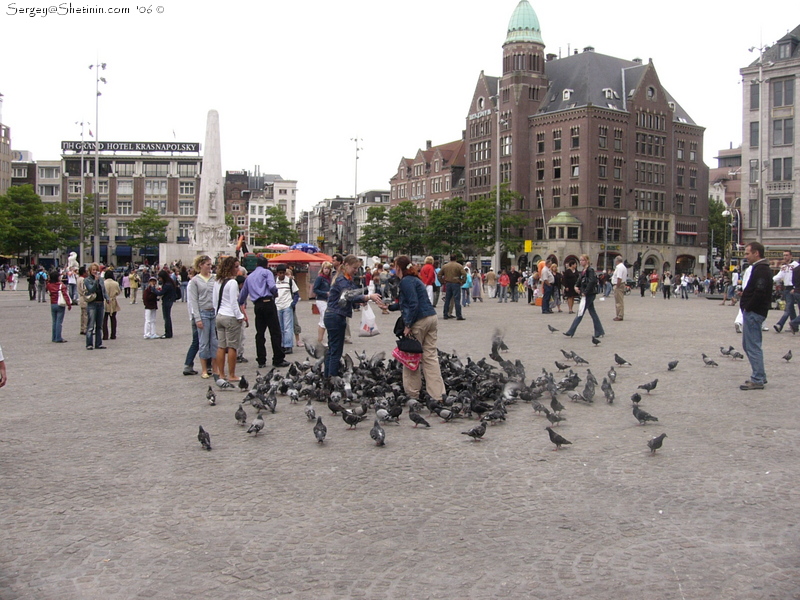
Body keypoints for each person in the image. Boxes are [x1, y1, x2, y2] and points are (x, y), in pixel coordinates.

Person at [388, 255, 445, 401]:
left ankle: (412, 394)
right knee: (430, 357)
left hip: (419, 321)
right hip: (431, 317)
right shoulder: (415, 279)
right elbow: (409, 302)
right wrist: (390, 307)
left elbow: (413, 304)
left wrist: (408, 325)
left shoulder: (405, 282)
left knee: (411, 357)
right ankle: (438, 394)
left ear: (398, 267)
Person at [324, 255, 384, 378]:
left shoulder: (345, 278)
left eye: (357, 268)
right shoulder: (342, 280)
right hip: (336, 316)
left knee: (332, 350)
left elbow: (352, 295)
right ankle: (332, 379)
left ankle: (327, 377)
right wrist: (368, 297)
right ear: (346, 265)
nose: (356, 270)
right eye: (354, 268)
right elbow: (349, 295)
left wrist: (361, 300)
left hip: (333, 315)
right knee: (336, 351)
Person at [237, 256, 287, 369]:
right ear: (266, 265)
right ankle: (278, 359)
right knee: (275, 332)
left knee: (260, 333)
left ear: (256, 265)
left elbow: (243, 294)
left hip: (257, 305)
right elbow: (272, 286)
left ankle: (261, 359)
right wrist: (275, 293)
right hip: (268, 302)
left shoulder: (249, 277)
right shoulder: (266, 273)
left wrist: (240, 303)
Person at [739, 242, 773, 390]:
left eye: (748, 253)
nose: (746, 256)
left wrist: (748, 306)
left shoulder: (762, 270)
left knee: (753, 346)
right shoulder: (759, 268)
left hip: (754, 312)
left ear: (756, 253)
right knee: (748, 345)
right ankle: (760, 375)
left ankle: (758, 378)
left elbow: (759, 291)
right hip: (753, 311)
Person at [214, 256, 246, 386]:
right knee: (233, 346)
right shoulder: (232, 283)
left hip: (220, 315)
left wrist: (217, 313)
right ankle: (232, 374)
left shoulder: (217, 281)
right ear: (230, 268)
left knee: (221, 346)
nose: (238, 269)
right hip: (230, 316)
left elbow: (214, 300)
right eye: (236, 266)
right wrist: (240, 316)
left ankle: (221, 373)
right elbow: (234, 302)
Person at [187, 254, 218, 378]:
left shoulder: (214, 278)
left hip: (213, 312)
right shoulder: (195, 281)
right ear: (200, 265)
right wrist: (197, 318)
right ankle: (204, 369)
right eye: (207, 265)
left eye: (211, 265)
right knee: (203, 342)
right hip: (203, 312)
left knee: (215, 341)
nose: (210, 267)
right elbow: (193, 301)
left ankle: (215, 368)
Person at [563, 254, 605, 339]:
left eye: (582, 260)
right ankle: (599, 331)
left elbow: (592, 282)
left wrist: (585, 292)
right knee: (593, 313)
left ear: (587, 261)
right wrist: (576, 286)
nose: (581, 262)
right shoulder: (583, 271)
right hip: (586, 294)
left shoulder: (590, 270)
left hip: (589, 294)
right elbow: (579, 280)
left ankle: (571, 331)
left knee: (580, 312)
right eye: (580, 260)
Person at [274, 264, 299, 354]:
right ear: (277, 273)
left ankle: (288, 345)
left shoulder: (290, 281)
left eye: (283, 273)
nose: (282, 275)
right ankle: (281, 345)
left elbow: (296, 294)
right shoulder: (274, 281)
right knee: (279, 327)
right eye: (280, 273)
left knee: (288, 327)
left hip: (287, 306)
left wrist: (292, 304)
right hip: (277, 306)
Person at [83, 263, 107, 350]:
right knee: (90, 325)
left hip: (100, 303)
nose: (95, 272)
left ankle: (98, 343)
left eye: (96, 270)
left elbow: (103, 290)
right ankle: (89, 344)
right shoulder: (87, 280)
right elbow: (91, 289)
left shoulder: (101, 279)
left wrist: (107, 298)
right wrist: (96, 280)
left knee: (99, 325)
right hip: (92, 304)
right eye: (93, 270)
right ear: (90, 271)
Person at [772, 250, 798, 333]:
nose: (785, 257)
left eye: (787, 255)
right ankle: (795, 326)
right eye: (784, 255)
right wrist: (769, 281)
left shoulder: (796, 265)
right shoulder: (783, 267)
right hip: (787, 289)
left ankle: (780, 324)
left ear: (791, 256)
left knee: (789, 308)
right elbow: (779, 276)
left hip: (795, 288)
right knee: (790, 308)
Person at [46, 270, 72, 342]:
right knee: (59, 322)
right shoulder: (61, 285)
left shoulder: (49, 285)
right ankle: (58, 338)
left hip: (53, 304)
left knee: (54, 321)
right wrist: (69, 304)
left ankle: (54, 337)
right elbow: (65, 295)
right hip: (60, 304)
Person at [439, 254, 466, 320]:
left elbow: (439, 274)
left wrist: (442, 281)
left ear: (450, 258)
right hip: (456, 283)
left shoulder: (445, 266)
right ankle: (458, 315)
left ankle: (445, 314)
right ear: (456, 258)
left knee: (447, 300)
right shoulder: (459, 266)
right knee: (457, 300)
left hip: (448, 283)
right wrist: (462, 281)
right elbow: (464, 274)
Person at [312, 261, 333, 345]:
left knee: (324, 318)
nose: (327, 270)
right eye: (325, 268)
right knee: (324, 319)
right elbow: (315, 290)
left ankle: (320, 339)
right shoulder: (320, 278)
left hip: (327, 300)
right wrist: (325, 293)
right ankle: (320, 340)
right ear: (322, 269)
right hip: (321, 300)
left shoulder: (330, 279)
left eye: (328, 268)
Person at [154, 269, 176, 338]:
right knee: (167, 317)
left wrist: (153, 289)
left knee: (166, 318)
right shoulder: (170, 283)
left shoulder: (167, 284)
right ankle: (169, 332)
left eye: (160, 278)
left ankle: (168, 333)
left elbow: (160, 293)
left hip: (167, 301)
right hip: (169, 300)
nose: (160, 279)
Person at [102, 270, 121, 340]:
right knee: (113, 319)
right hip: (113, 301)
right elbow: (119, 292)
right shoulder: (115, 283)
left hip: (105, 301)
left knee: (104, 319)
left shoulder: (103, 283)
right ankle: (113, 334)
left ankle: (105, 335)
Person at [611, 256, 628, 321]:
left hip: (619, 285)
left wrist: (617, 286)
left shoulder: (619, 267)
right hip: (621, 284)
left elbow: (619, 278)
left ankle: (619, 315)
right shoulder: (623, 267)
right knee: (619, 300)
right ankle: (619, 314)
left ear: (617, 261)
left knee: (619, 301)